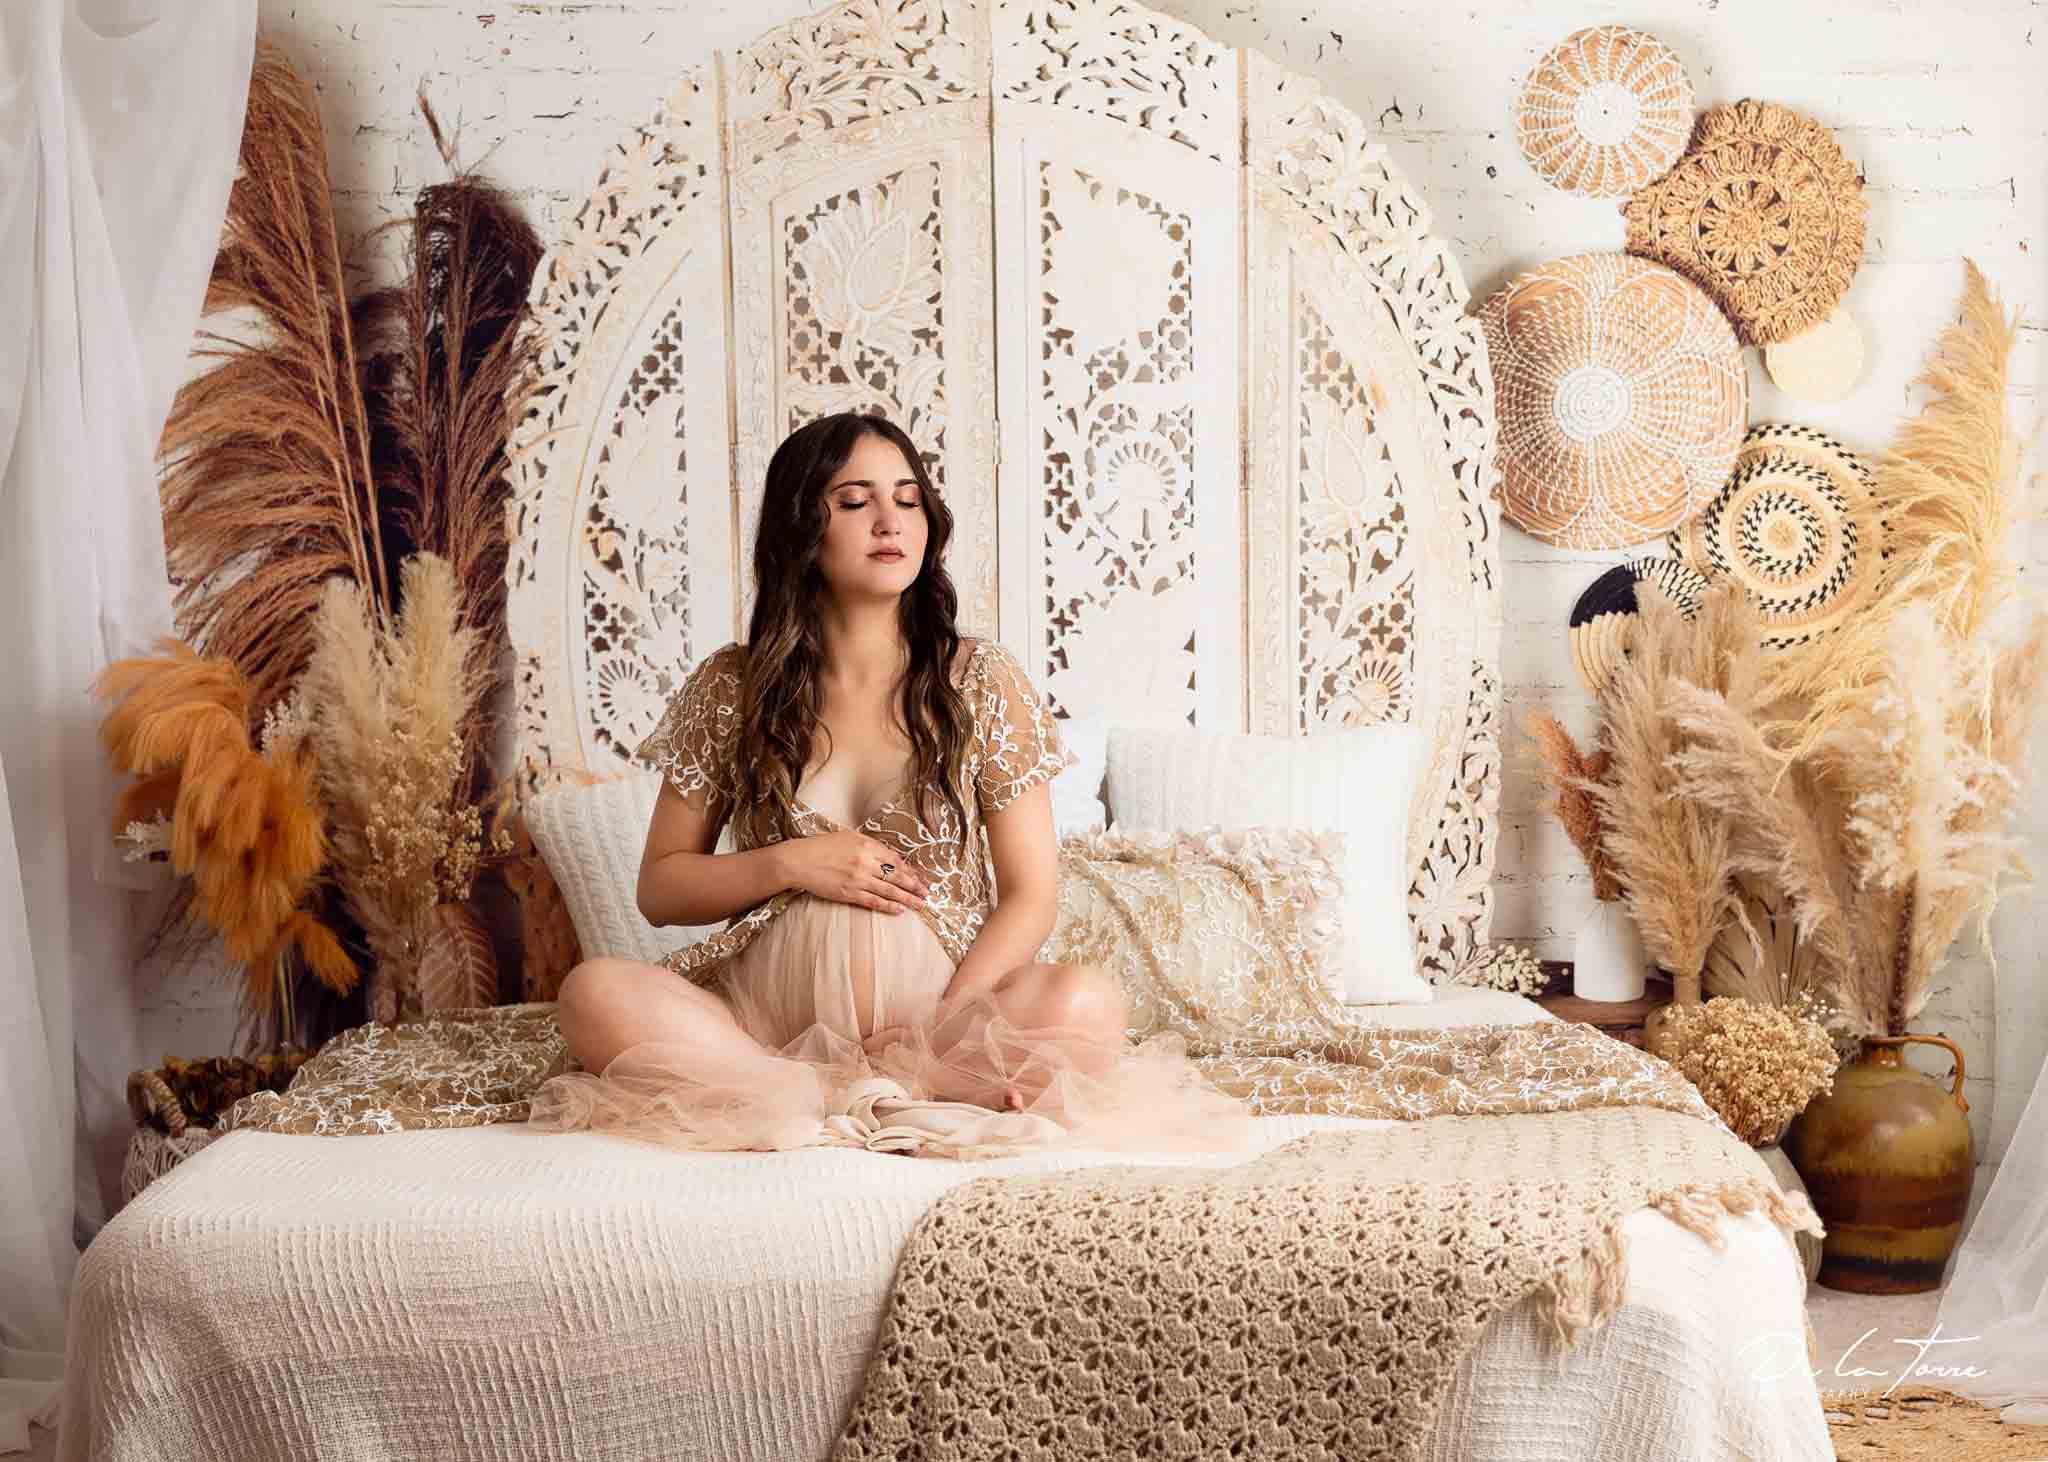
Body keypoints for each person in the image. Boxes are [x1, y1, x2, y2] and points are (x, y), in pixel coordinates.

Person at [527, 410, 1253, 1159]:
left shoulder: (979, 680)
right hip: (764, 1030)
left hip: (943, 1022)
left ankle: (904, 1087)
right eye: (854, 501)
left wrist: (950, 1022)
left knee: (1086, 1001)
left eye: (907, 500)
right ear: (800, 529)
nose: (889, 521)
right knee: (594, 993)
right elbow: (662, 888)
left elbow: (1032, 896)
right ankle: (829, 1096)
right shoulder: (732, 688)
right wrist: (791, 862)